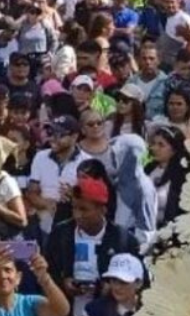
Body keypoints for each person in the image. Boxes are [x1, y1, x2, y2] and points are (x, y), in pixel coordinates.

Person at [44, 177, 140, 316]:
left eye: (84, 209)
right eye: (74, 208)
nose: (77, 215)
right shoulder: (60, 234)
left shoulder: (123, 240)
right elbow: (47, 270)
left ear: (102, 210)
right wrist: (63, 283)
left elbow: (138, 281)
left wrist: (111, 288)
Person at [0, 244, 70, 316]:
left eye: (8, 270)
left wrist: (44, 276)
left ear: (18, 278)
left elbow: (62, 311)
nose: (3, 276)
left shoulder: (30, 303)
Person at [27, 116, 87, 238]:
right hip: (43, 227)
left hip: (73, 228)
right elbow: (31, 193)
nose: (53, 139)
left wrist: (74, 194)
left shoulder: (87, 162)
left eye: (60, 135)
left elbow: (90, 202)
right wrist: (47, 204)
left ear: (74, 137)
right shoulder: (40, 157)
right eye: (51, 133)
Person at [109, 134, 157, 249]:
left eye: (115, 155)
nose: (112, 159)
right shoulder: (118, 182)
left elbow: (147, 230)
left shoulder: (143, 187)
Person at [145, 125, 190, 227]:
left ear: (174, 150)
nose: (154, 148)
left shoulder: (182, 176)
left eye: (161, 145)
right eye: (153, 144)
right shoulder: (147, 169)